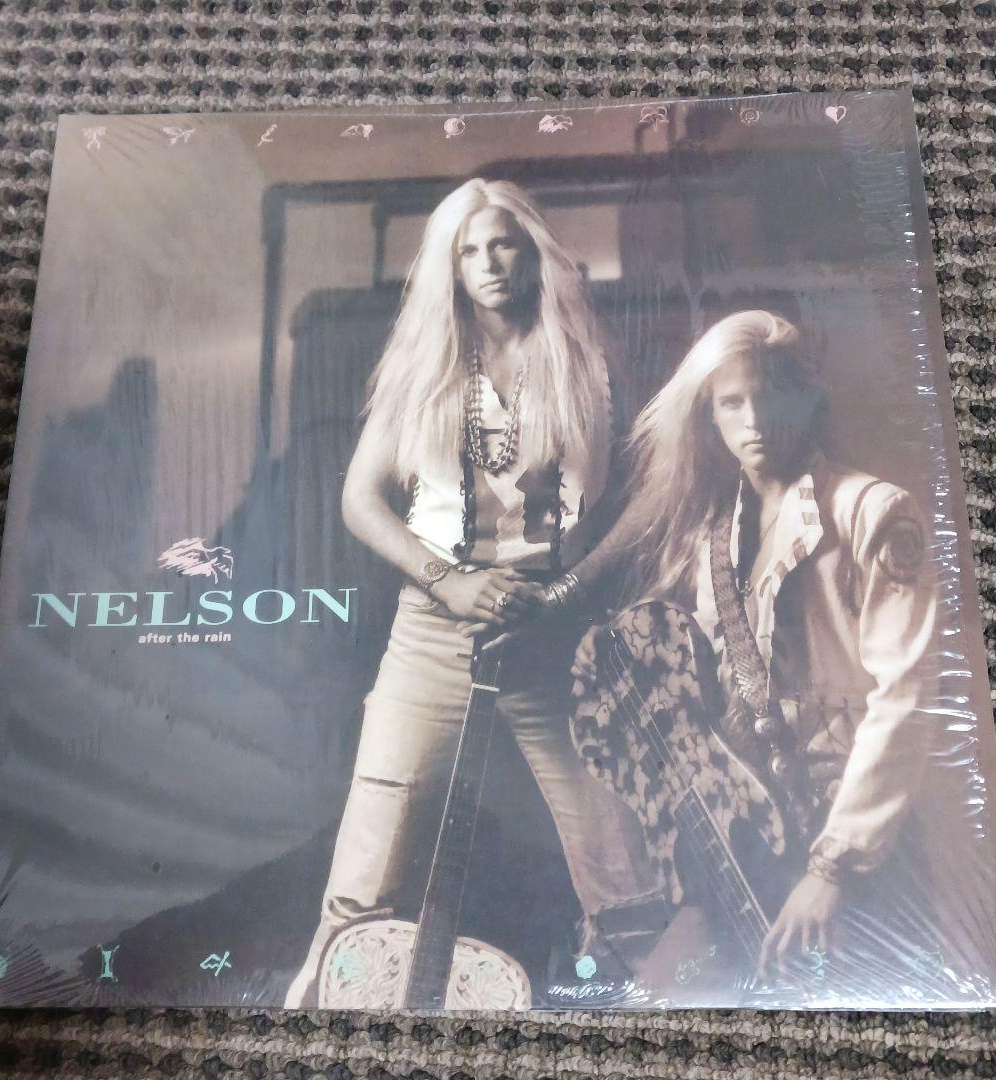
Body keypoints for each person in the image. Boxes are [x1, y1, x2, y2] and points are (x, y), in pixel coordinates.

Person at [284, 178, 655, 1007]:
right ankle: (318, 1021)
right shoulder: (426, 366)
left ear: (533, 251)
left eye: (503, 244)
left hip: (557, 634)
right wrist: (448, 583)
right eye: (469, 251)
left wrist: (567, 594)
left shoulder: (591, 365)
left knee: (627, 881)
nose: (489, 264)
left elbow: (648, 498)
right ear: (449, 268)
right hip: (432, 630)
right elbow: (360, 501)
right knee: (363, 877)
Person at [569, 309, 937, 990]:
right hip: (754, 848)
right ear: (708, 416)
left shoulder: (875, 512)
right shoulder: (710, 534)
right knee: (659, 1002)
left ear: (802, 396)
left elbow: (906, 699)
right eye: (731, 403)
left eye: (770, 396)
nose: (755, 420)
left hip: (861, 848)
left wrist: (831, 871)